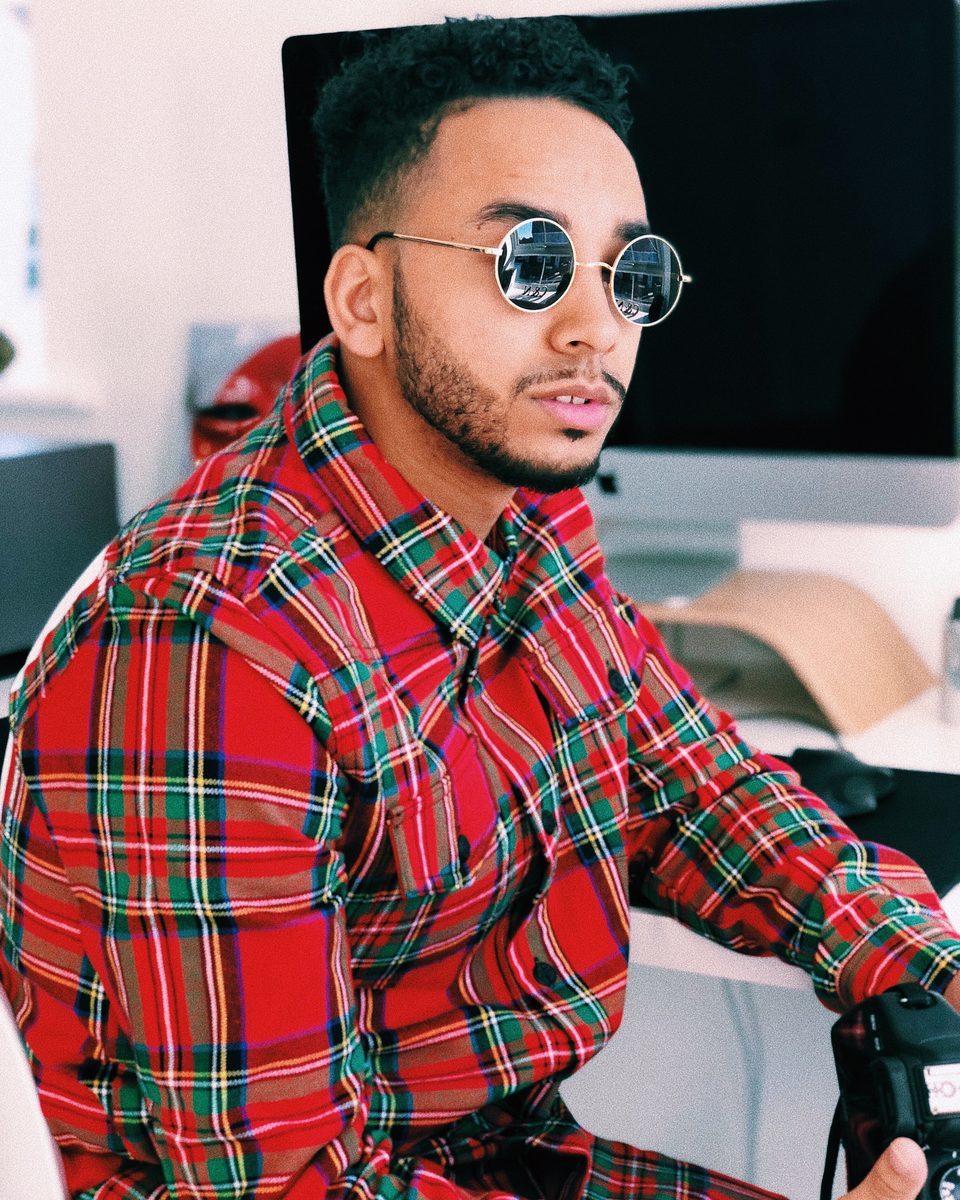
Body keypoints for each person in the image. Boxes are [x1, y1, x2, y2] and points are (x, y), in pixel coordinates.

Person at [0, 16, 957, 1200]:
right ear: (363, 299)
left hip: (494, 1155)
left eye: (628, 275)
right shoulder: (208, 647)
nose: (596, 329)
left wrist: (926, 962)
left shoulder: (529, 511)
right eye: (530, 264)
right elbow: (287, 1186)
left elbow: (684, 782)